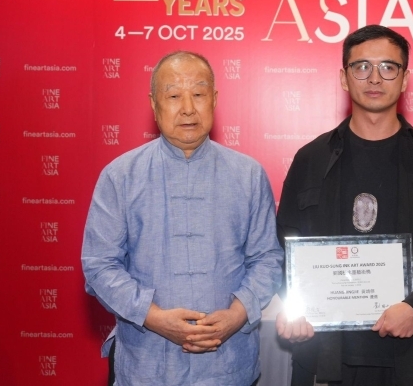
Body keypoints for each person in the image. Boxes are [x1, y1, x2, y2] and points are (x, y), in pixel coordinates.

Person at [276, 26, 413, 386]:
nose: (374, 78)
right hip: (322, 355)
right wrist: (296, 306)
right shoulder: (310, 160)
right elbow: (283, 247)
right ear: (344, 77)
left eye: (388, 67)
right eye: (361, 67)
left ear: (405, 79)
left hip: (408, 354)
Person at [81, 51, 283, 386]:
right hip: (147, 365)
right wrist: (154, 318)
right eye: (174, 96)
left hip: (229, 364)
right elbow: (100, 265)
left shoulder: (248, 174)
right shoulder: (120, 176)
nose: (188, 108)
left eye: (199, 94)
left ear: (214, 99)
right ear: (154, 104)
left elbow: (268, 259)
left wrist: (236, 315)